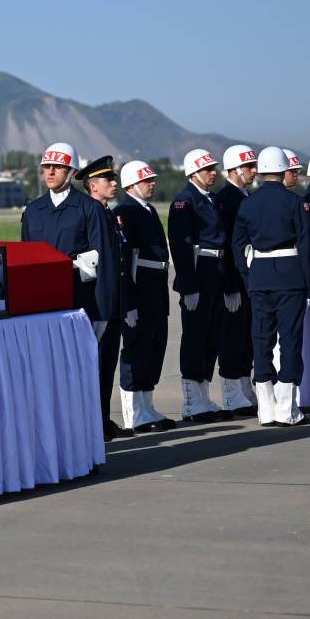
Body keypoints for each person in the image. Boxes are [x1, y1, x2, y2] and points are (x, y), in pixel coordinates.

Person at [232, 147, 310, 427]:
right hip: (290, 278)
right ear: (282, 170)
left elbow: (238, 245)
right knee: (290, 340)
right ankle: (287, 409)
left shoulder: (248, 204)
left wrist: (249, 276)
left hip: (260, 277)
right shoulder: (296, 203)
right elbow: (306, 247)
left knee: (261, 339)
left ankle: (265, 410)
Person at [20, 142, 118, 347]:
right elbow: (25, 262)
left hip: (79, 302)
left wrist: (103, 312)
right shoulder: (32, 211)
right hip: (42, 303)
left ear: (72, 171)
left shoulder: (90, 209)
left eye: (58, 167)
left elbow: (106, 261)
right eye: (47, 167)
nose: (51, 172)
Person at [167, 149, 233, 422]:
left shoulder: (211, 199)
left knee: (212, 338)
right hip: (198, 274)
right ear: (193, 173)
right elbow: (181, 248)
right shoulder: (185, 201)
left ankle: (205, 397)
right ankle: (192, 403)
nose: (213, 173)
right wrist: (188, 286)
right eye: (207, 170)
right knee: (195, 338)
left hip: (215, 273)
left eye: (213, 168)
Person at [75, 155, 137, 440]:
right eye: (108, 179)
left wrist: (125, 305)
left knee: (107, 366)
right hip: (98, 305)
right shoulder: (90, 213)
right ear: (92, 185)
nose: (114, 183)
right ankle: (95, 423)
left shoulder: (109, 212)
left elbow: (120, 266)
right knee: (96, 367)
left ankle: (103, 419)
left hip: (113, 304)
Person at [113, 160, 176, 433]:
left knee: (154, 348)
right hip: (139, 288)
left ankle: (147, 406)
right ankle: (134, 413)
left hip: (155, 285)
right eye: (146, 180)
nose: (152, 184)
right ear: (131, 185)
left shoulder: (147, 210)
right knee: (136, 350)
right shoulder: (124, 212)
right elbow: (125, 261)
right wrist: (129, 302)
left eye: (152, 180)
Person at [215, 145, 259, 417]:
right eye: (249, 167)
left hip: (249, 276)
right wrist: (230, 286)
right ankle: (232, 394)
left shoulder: (246, 196)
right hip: (234, 278)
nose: (254, 171)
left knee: (247, 338)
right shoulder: (225, 200)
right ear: (234, 170)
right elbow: (228, 246)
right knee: (232, 338)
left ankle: (245, 388)